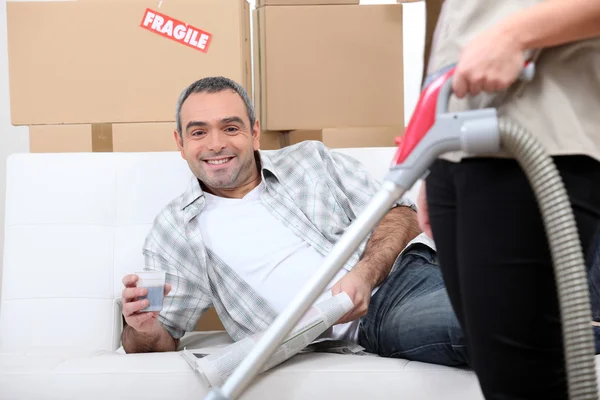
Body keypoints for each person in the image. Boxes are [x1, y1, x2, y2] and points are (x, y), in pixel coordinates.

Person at [119, 76, 469, 367]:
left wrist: (363, 274)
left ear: (254, 133)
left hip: (399, 283)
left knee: (494, 308)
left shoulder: (310, 160)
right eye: (198, 133)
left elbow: (402, 214)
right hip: (367, 328)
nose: (216, 144)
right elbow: (159, 342)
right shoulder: (174, 229)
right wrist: (142, 328)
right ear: (180, 143)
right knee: (485, 320)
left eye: (230, 127)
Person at [416, 0, 600, 399]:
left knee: (524, 385)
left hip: (539, 135)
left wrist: (515, 34)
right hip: (456, 146)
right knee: (502, 378)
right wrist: (432, 156)